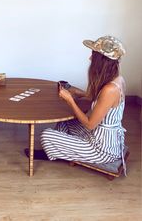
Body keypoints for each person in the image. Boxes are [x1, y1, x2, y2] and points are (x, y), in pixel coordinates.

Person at [25, 35, 127, 172]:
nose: (90, 58)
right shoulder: (118, 79)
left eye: (93, 55)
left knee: (46, 134)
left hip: (102, 148)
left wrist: (70, 100)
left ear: (102, 60)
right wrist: (81, 93)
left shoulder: (110, 89)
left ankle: (55, 151)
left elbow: (90, 124)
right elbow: (101, 101)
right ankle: (59, 149)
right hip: (100, 134)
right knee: (65, 123)